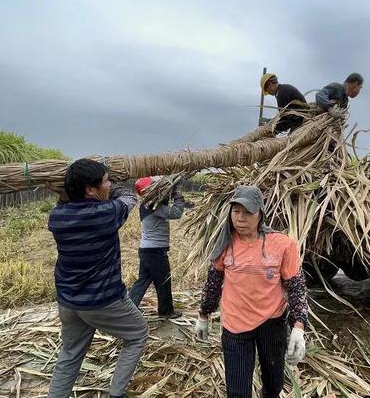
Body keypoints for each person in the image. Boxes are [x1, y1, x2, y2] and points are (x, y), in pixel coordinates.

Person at [47, 159, 148, 398]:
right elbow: (128, 197)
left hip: (69, 301)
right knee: (138, 334)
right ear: (90, 189)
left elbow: (68, 201)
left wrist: (67, 189)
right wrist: (117, 179)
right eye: (105, 180)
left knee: (70, 355)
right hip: (103, 302)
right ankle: (116, 394)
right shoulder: (104, 214)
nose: (109, 183)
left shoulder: (57, 217)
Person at [195, 185, 308, 398]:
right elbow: (213, 283)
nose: (240, 218)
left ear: (260, 215)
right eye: (236, 211)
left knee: (274, 385)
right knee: (237, 392)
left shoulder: (282, 245)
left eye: (248, 212)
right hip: (235, 327)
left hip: (272, 324)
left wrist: (298, 327)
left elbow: (296, 287)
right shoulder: (225, 244)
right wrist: (203, 314)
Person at [129, 176, 186, 319]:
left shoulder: (147, 204)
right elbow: (176, 213)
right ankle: (166, 312)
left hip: (147, 250)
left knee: (142, 281)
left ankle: (127, 309)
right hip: (155, 251)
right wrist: (177, 195)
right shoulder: (152, 205)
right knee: (164, 282)